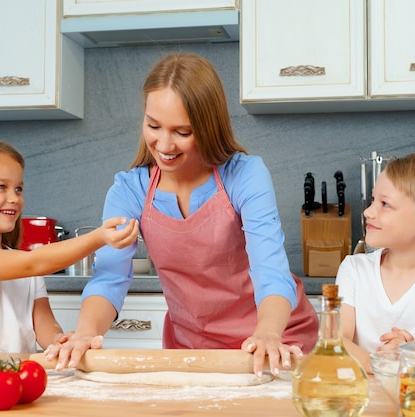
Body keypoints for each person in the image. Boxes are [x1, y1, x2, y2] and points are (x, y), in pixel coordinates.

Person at [45, 52, 319, 376]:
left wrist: (269, 334)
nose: (164, 143)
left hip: (273, 342)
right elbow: (110, 277)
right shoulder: (129, 190)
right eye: (153, 125)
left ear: (208, 126)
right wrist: (87, 331)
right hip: (191, 349)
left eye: (182, 131)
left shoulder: (244, 175)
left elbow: (270, 270)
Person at [0, 139, 139, 353]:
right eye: (1, 187)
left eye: (18, 189)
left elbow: (43, 323)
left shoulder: (27, 269)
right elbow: (34, 262)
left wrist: (60, 341)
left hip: (19, 379)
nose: (14, 198)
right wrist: (98, 237)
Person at [336, 150, 415, 372]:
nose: (367, 212)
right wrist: (385, 363)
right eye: (373, 199)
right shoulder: (354, 269)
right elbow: (335, 341)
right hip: (359, 400)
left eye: (384, 204)